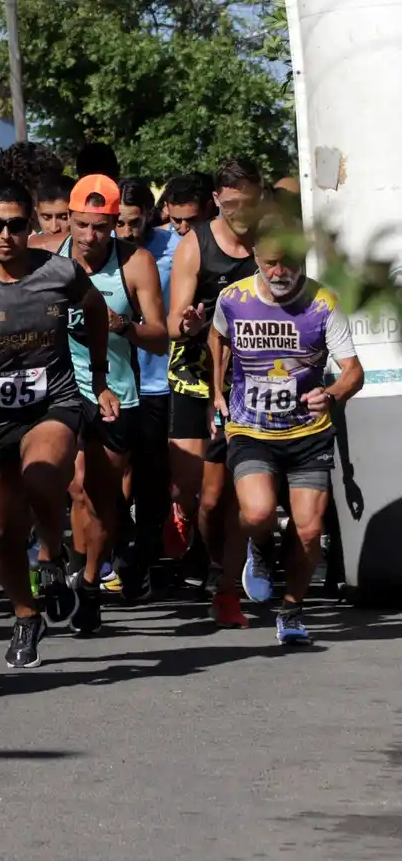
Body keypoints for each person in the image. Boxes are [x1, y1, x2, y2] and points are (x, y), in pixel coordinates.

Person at [0, 180, 116, 669]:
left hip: (51, 401)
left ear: (30, 224)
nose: (6, 234)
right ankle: (25, 616)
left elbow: (95, 310)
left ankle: (51, 557)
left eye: (16, 224)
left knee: (43, 474)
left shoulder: (59, 271)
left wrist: (97, 376)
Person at [209, 217, 364, 641]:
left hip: (307, 433)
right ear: (255, 257)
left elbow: (353, 372)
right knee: (257, 513)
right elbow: (217, 338)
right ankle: (259, 548)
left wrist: (330, 395)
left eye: (288, 262)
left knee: (310, 529)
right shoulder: (233, 299)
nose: (279, 272)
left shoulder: (322, 303)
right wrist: (216, 392)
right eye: (270, 262)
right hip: (251, 429)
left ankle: (293, 610)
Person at [36, 175, 166, 633]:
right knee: (70, 485)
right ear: (68, 218)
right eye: (83, 225)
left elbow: (160, 337)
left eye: (102, 227)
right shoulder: (44, 255)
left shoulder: (136, 263)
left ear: (115, 224)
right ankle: (67, 565)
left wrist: (123, 325)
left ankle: (91, 582)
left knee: (100, 497)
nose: (91, 237)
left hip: (115, 389)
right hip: (58, 389)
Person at [166, 160, 261, 616]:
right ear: (217, 200)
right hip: (194, 372)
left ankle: (228, 573)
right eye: (234, 203)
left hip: (251, 376)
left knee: (227, 491)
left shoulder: (270, 240)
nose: (243, 213)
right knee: (194, 492)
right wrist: (188, 323)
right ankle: (197, 533)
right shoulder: (194, 245)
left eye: (251, 203)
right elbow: (172, 323)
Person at [116, 178, 182, 597]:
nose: (125, 233)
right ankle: (122, 550)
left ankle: (144, 555)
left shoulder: (175, 247)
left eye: (133, 222)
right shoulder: (101, 250)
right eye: (118, 224)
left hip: (159, 378)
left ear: (149, 214)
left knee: (152, 478)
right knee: (115, 472)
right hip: (118, 378)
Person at [158, 174, 215, 559]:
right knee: (183, 487)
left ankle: (217, 560)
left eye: (189, 220)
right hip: (186, 372)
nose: (181, 228)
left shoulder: (234, 244)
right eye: (175, 219)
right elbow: (171, 321)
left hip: (232, 376)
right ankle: (184, 519)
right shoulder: (158, 242)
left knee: (216, 489)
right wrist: (185, 325)